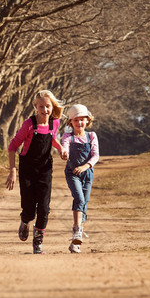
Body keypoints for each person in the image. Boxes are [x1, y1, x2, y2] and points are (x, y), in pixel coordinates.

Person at [6, 90, 65, 254]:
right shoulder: (29, 125)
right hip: (27, 169)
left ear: (52, 106)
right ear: (35, 107)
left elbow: (52, 139)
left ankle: (38, 242)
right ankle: (25, 221)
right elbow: (13, 147)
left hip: (45, 169)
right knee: (29, 208)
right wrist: (12, 171)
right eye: (41, 107)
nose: (45, 110)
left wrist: (61, 149)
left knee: (44, 208)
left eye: (48, 106)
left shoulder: (55, 123)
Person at [61, 104, 99, 253]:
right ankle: (77, 230)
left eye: (82, 120)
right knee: (79, 199)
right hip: (72, 173)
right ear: (71, 122)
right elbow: (64, 148)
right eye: (76, 120)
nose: (79, 123)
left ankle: (76, 242)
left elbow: (95, 155)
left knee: (84, 204)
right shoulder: (67, 137)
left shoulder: (91, 136)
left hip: (87, 173)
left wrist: (85, 167)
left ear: (87, 121)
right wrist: (64, 153)